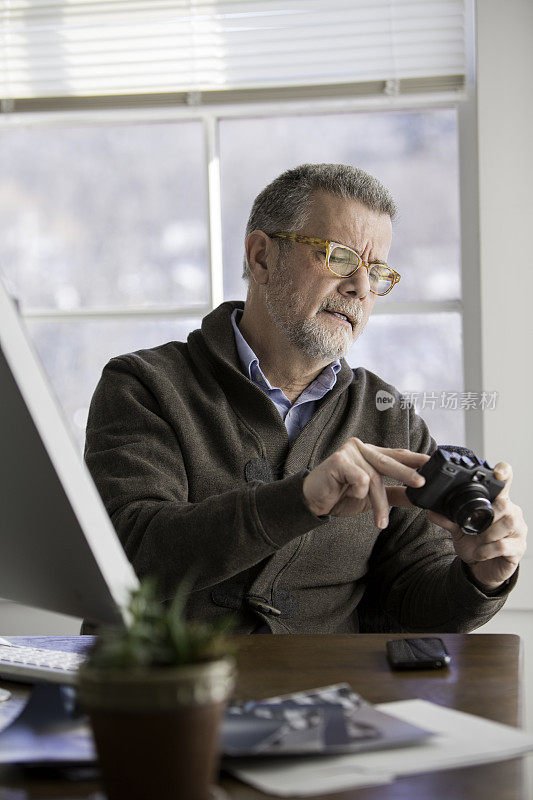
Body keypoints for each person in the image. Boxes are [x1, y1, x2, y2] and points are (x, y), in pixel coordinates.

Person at [84, 163, 527, 634]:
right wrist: (299, 500)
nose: (360, 288)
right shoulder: (143, 385)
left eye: (376, 273)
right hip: (168, 691)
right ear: (261, 257)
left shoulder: (389, 414)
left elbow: (411, 602)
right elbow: (124, 553)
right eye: (339, 258)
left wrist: (480, 576)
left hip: (323, 695)